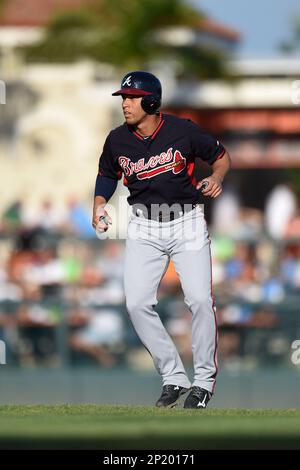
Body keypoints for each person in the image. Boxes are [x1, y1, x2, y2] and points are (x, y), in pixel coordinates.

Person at [92, 71, 231, 409]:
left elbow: (221, 157)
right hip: (143, 226)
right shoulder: (117, 140)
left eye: (132, 97)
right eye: (123, 97)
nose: (125, 103)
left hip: (186, 221)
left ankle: (203, 381)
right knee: (136, 303)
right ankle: (172, 376)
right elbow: (107, 174)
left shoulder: (182, 131)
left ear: (151, 101)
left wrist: (216, 176)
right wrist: (98, 204)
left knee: (199, 299)